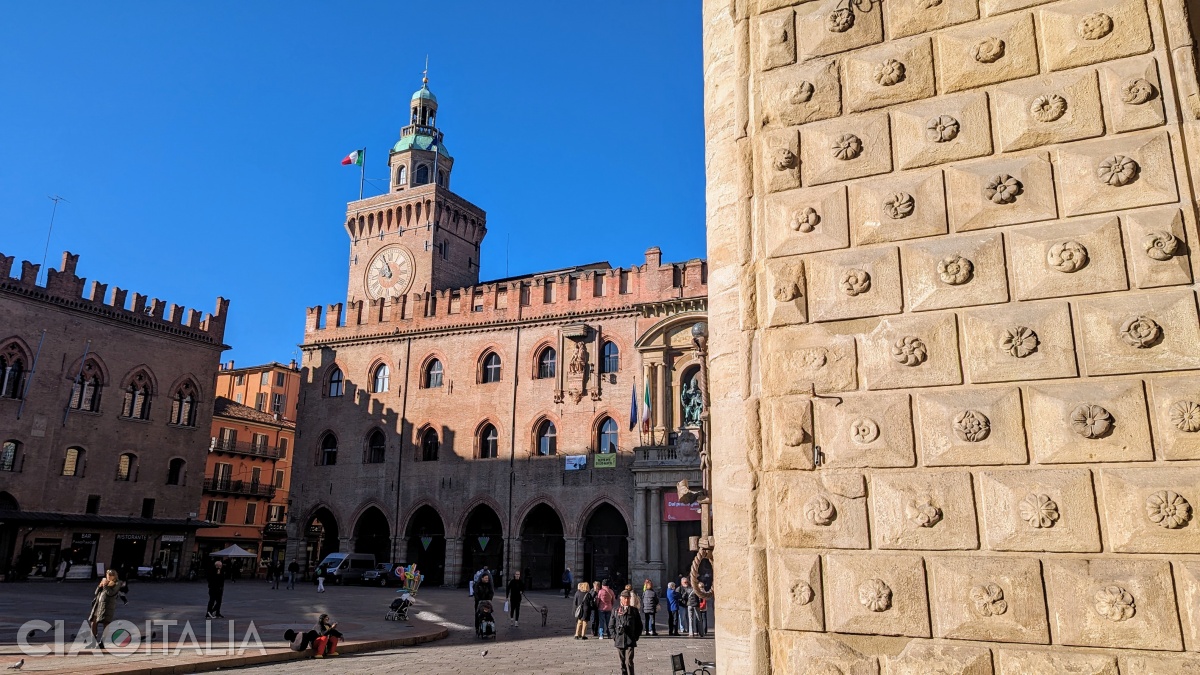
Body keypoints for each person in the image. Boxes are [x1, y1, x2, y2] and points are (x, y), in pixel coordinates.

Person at [608, 590, 643, 675]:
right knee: (622, 662)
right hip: (619, 639)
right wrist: (614, 636)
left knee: (629, 661)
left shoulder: (634, 611)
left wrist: (636, 636)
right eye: (624, 598)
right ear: (621, 599)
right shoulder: (616, 610)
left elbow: (639, 625)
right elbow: (611, 626)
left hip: (630, 639)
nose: (626, 600)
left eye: (628, 598)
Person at [87, 569, 124, 642]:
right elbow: (96, 593)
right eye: (108, 575)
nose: (109, 576)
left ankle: (103, 641)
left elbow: (111, 593)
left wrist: (105, 585)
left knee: (106, 623)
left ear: (114, 576)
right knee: (93, 622)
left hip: (107, 605)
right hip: (98, 605)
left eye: (111, 575)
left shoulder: (117, 583)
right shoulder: (105, 582)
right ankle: (93, 638)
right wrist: (100, 586)